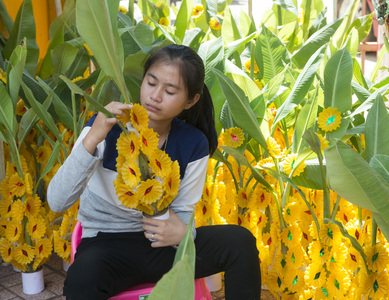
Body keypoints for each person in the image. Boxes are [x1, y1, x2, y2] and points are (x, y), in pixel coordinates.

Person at [47, 44, 261, 299]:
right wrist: (93, 137)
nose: (155, 96)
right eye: (151, 83)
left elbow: (183, 211)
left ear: (191, 101)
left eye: (170, 91)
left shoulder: (194, 143)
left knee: (239, 242)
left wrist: (184, 233)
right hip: (106, 246)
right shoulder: (106, 127)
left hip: (164, 248)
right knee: (81, 281)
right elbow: (57, 201)